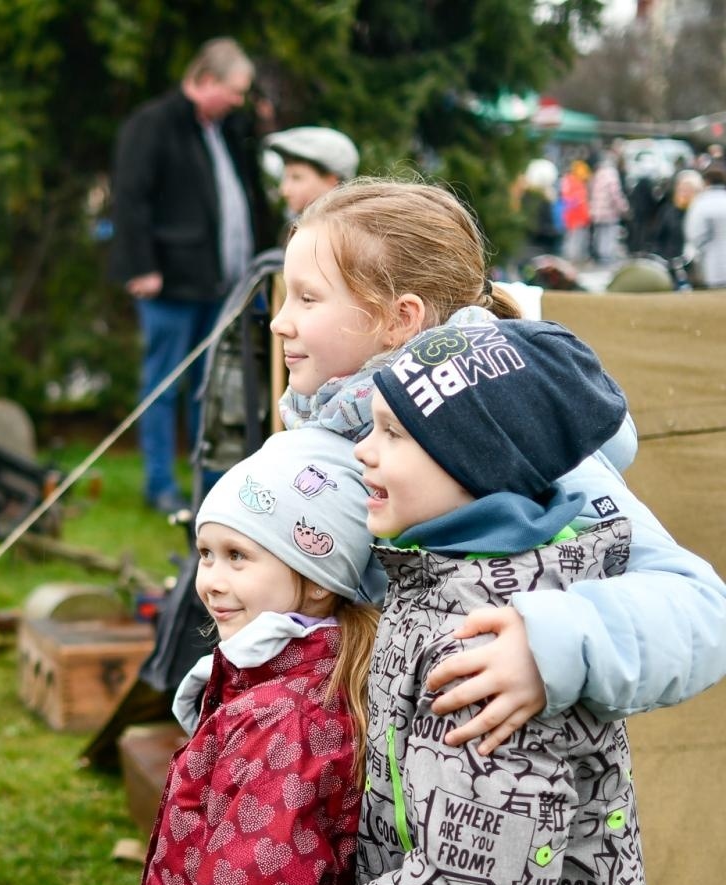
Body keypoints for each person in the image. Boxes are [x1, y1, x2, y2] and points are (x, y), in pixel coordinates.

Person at [269, 178, 726, 755]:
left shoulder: (506, 431)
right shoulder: (324, 425)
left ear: (399, 319)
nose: (279, 321)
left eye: (307, 299)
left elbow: (698, 607)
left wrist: (550, 645)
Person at [326, 319, 647, 885]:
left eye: (395, 436)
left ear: (479, 463)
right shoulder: (454, 580)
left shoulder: (485, 641)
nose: (363, 452)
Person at [115, 428, 374, 885]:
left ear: (316, 580)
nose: (212, 581)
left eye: (239, 556)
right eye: (206, 553)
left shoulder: (283, 724)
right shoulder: (266, 686)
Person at [108, 38, 269, 513]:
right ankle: (159, 484)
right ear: (204, 80)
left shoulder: (225, 129)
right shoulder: (152, 125)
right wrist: (141, 266)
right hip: (169, 284)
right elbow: (130, 198)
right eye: (233, 91)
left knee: (214, 388)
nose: (239, 101)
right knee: (163, 384)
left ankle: (211, 485)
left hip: (222, 285)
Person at [263, 125, 359, 220]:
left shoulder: (346, 233)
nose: (284, 191)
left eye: (296, 178)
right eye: (285, 177)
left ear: (333, 181)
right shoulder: (297, 226)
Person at [683, 166, 726, 288]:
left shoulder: (701, 202)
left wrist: (700, 249)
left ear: (706, 182)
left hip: (712, 261)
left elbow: (695, 233)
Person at [652, 168, 702, 264]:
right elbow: (658, 238)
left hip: (694, 265)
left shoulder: (699, 213)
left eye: (688, 190)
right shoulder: (668, 211)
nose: (684, 193)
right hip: (671, 262)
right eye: (681, 189)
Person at [588, 151, 628, 264]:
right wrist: (624, 207)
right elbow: (615, 194)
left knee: (599, 234)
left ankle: (598, 255)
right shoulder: (611, 174)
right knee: (609, 235)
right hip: (608, 212)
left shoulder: (597, 174)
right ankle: (606, 257)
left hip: (596, 211)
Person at [558, 159, 591, 262]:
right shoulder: (576, 183)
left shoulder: (567, 181)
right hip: (575, 217)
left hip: (572, 216)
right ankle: (572, 259)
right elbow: (577, 202)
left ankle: (572, 257)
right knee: (574, 239)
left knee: (572, 238)